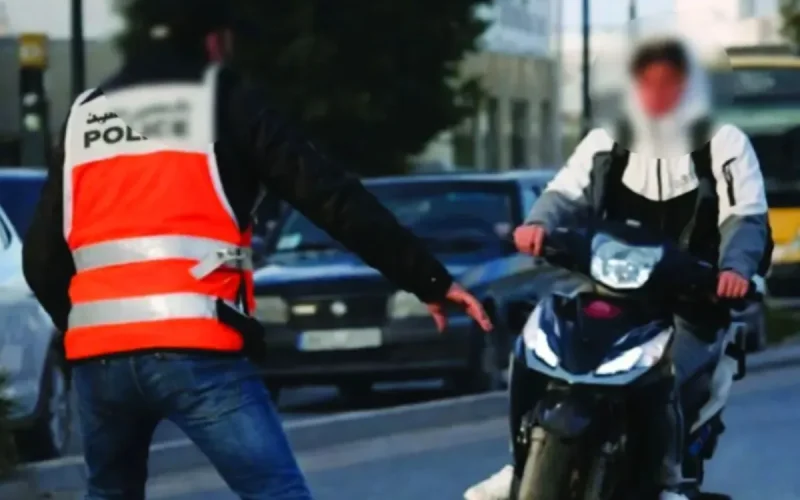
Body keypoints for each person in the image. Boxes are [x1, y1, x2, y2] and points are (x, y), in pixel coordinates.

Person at [22, 1, 493, 499]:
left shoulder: (84, 116)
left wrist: (90, 326)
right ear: (214, 41)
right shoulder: (224, 99)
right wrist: (429, 280)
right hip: (196, 346)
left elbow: (41, 258)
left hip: (101, 359)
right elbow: (329, 196)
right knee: (276, 493)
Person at [464, 36, 770, 500]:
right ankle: (520, 464)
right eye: (647, 84)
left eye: (670, 83)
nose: (657, 94)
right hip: (606, 294)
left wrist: (735, 269)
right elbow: (564, 193)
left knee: (667, 370)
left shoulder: (724, 143)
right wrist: (537, 225)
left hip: (689, 303)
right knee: (535, 344)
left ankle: (666, 481)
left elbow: (744, 217)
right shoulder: (607, 140)